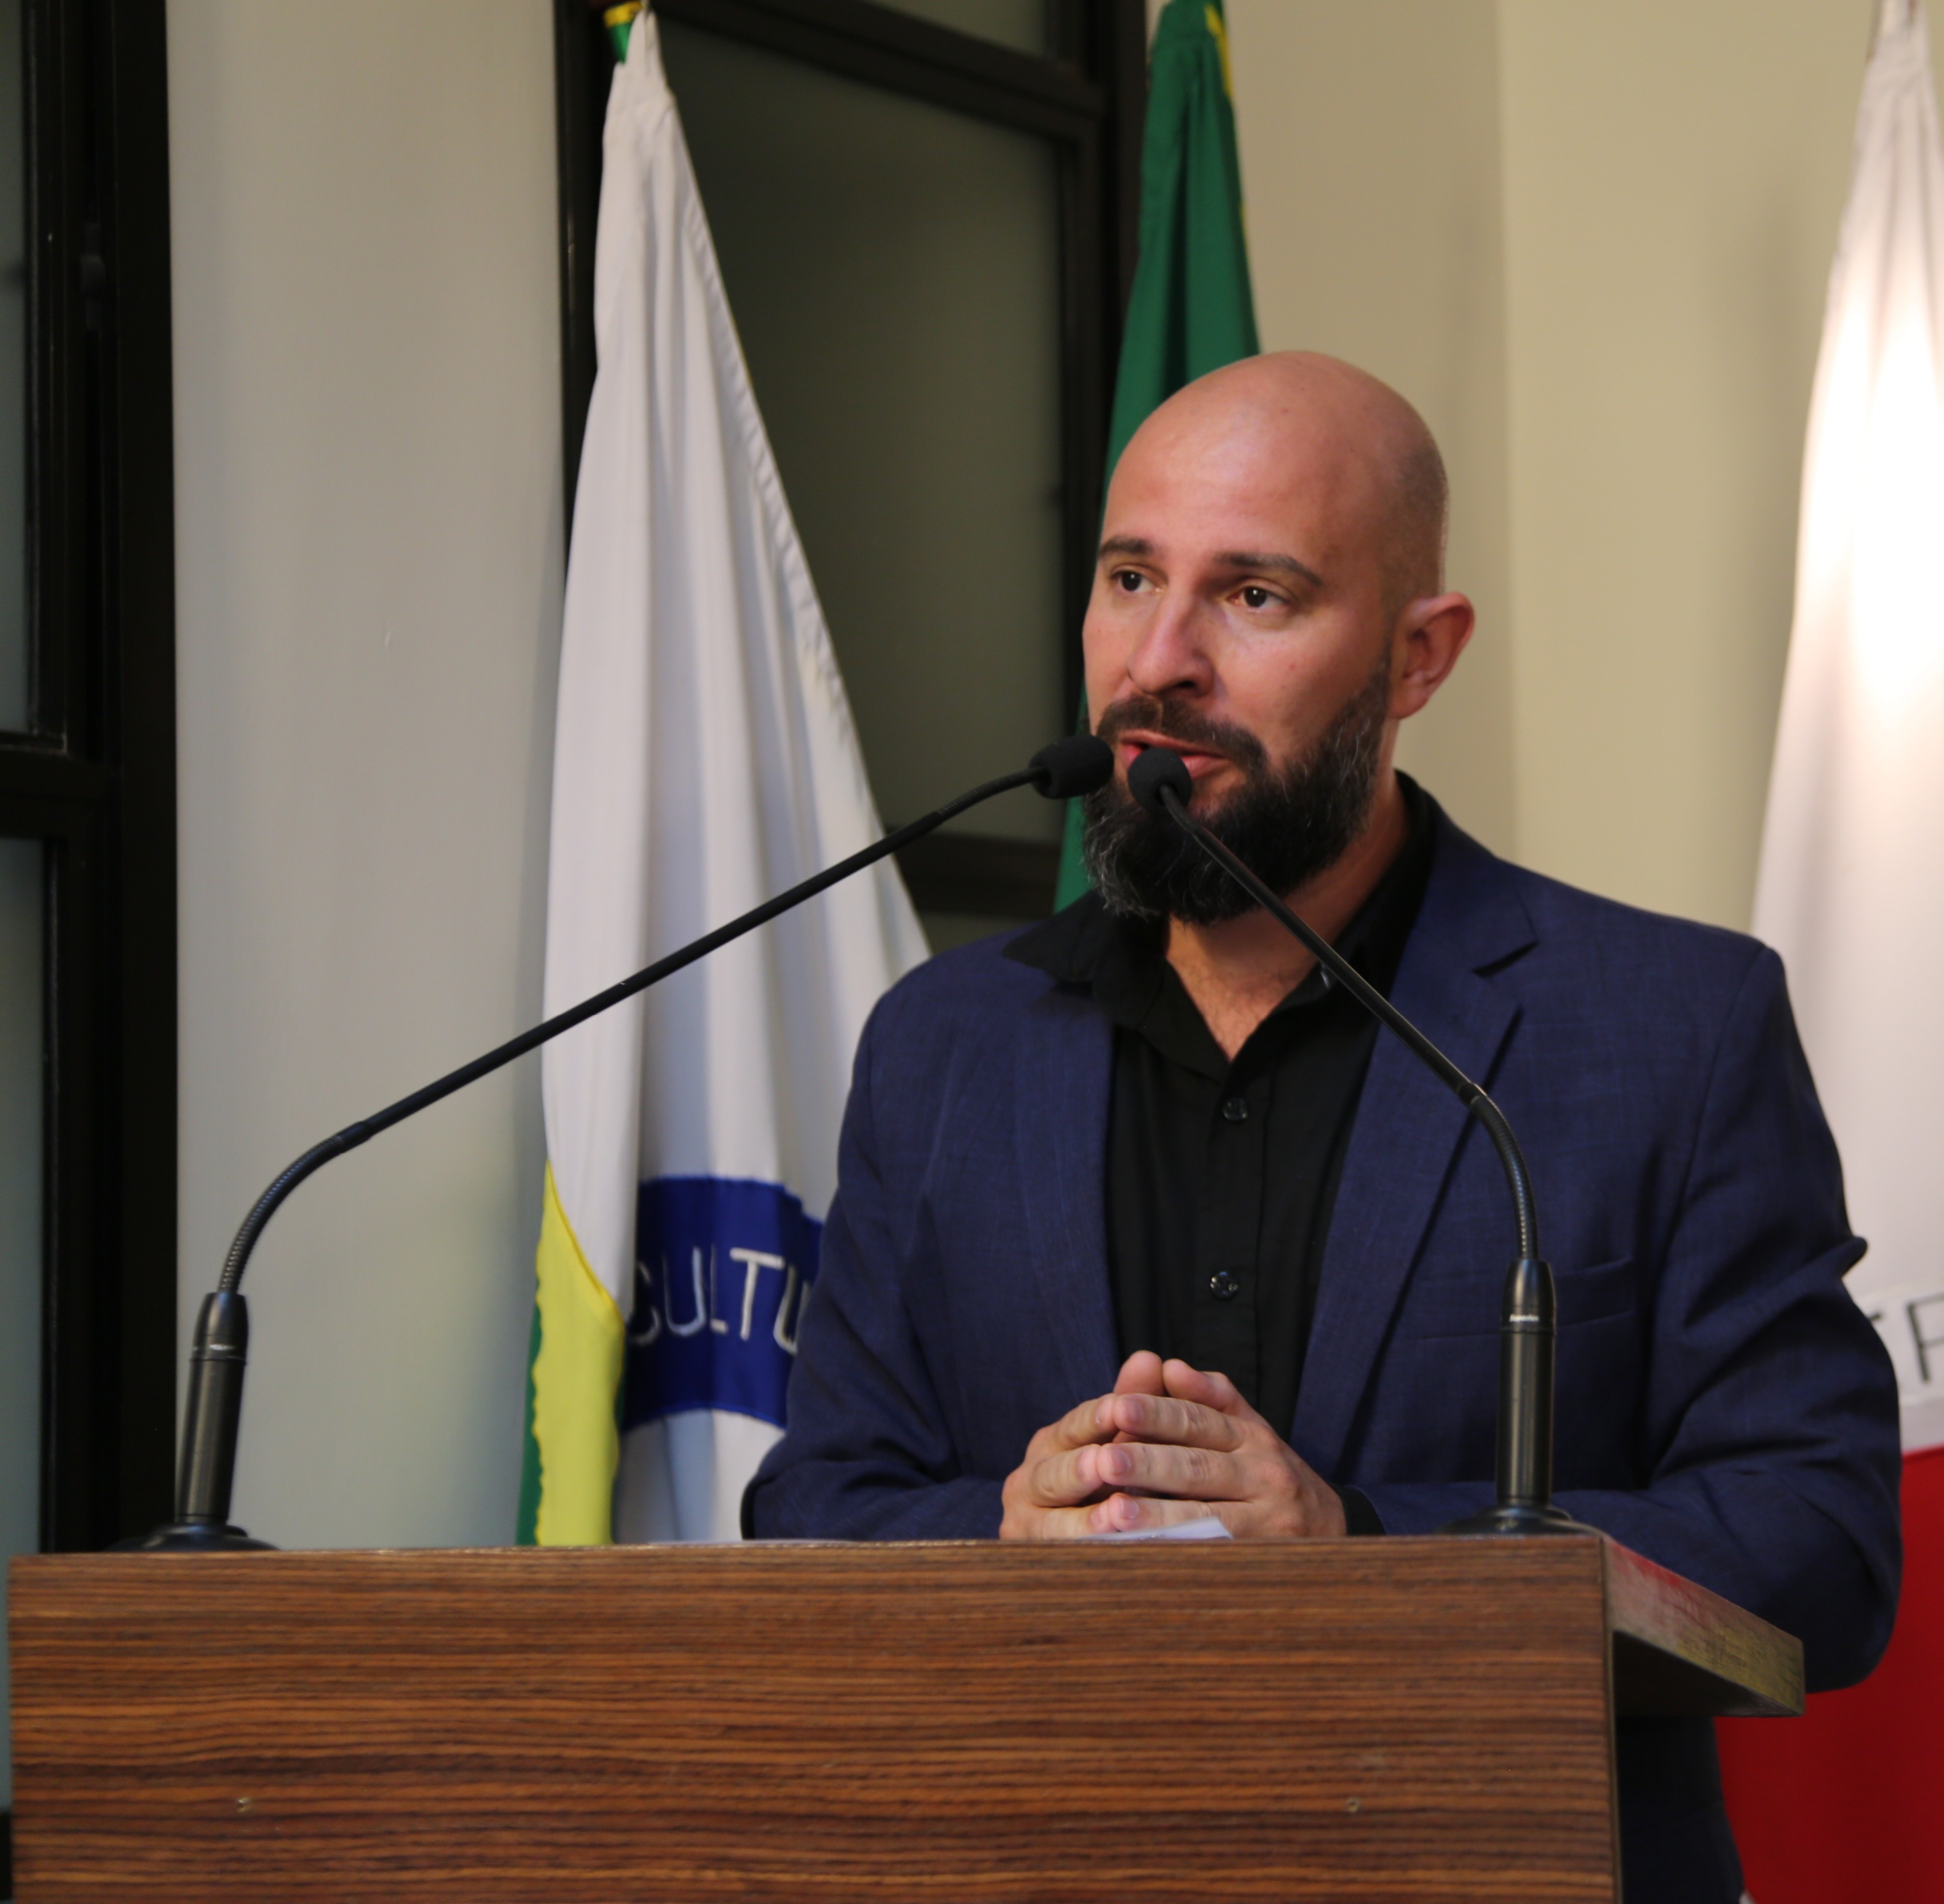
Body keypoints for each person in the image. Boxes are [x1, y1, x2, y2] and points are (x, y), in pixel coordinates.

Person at [743, 351, 1900, 1900]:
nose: (1160, 662)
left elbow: (1817, 1541)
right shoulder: (944, 1044)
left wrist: (1354, 1539)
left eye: (1256, 595)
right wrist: (1010, 1529)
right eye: (1129, 577)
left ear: (1419, 656)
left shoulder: (1672, 1028)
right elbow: (816, 1509)